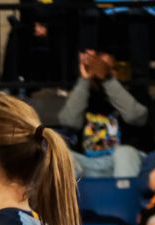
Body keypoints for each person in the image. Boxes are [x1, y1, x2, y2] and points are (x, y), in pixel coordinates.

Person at [58, 49, 149, 179]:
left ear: (116, 72)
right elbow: (68, 122)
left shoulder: (131, 94)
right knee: (60, 155)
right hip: (88, 163)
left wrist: (107, 80)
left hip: (122, 161)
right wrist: (84, 80)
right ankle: (70, 199)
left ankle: (123, 198)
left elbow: (136, 117)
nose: (99, 72)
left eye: (107, 68)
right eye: (96, 68)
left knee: (125, 153)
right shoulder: (84, 96)